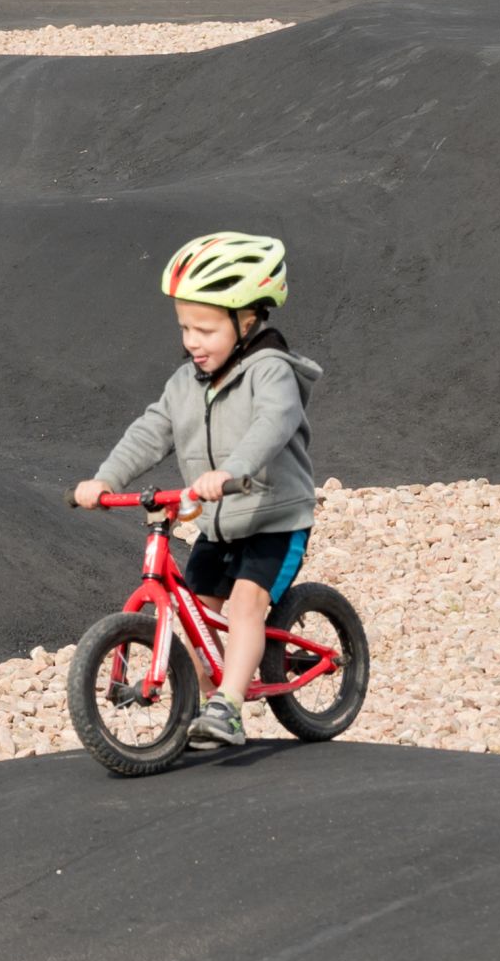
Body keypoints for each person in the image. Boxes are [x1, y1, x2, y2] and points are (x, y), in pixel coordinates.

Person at [74, 232, 320, 751]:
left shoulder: (271, 372)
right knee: (197, 615)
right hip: (216, 523)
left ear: (247, 320)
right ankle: (206, 711)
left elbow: (272, 424)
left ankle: (229, 708)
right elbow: (151, 430)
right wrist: (105, 480)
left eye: (205, 328)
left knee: (246, 606)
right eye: (185, 327)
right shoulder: (185, 383)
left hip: (273, 518)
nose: (192, 340)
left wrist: (231, 469)